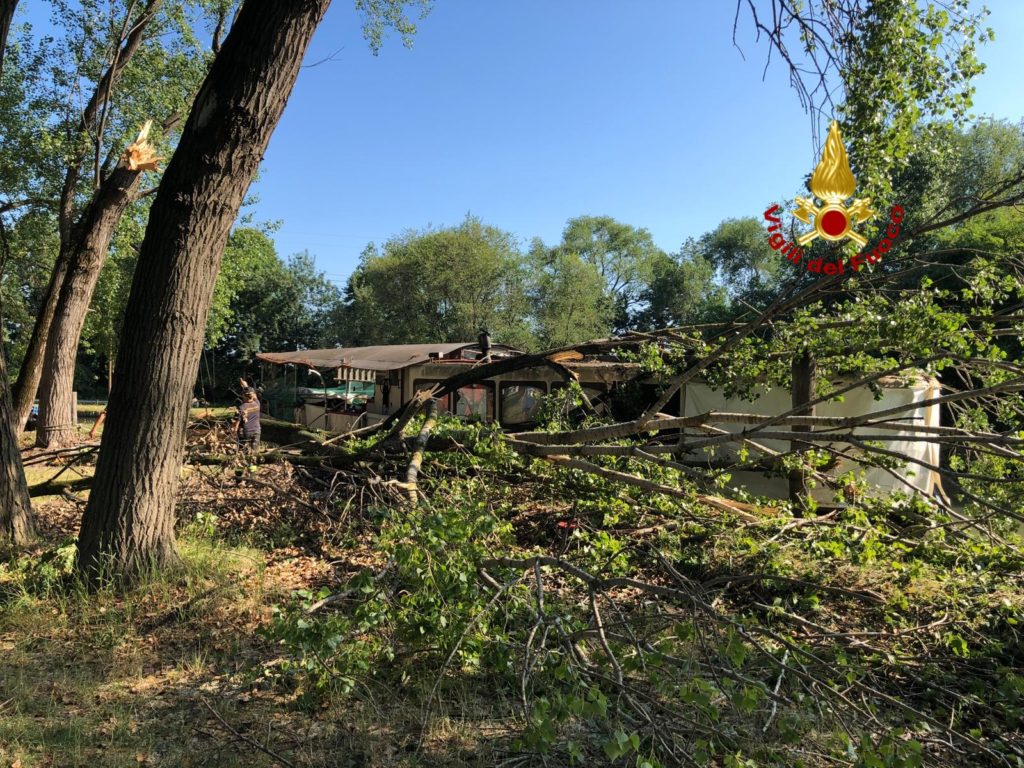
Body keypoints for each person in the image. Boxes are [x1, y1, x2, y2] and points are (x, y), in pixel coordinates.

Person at [236, 381, 261, 453]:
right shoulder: (257, 403)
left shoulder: (242, 407)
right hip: (257, 430)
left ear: (245, 396)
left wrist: (234, 431)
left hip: (246, 432)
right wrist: (246, 386)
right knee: (254, 451)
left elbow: (237, 423)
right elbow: (254, 396)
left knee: (243, 451)